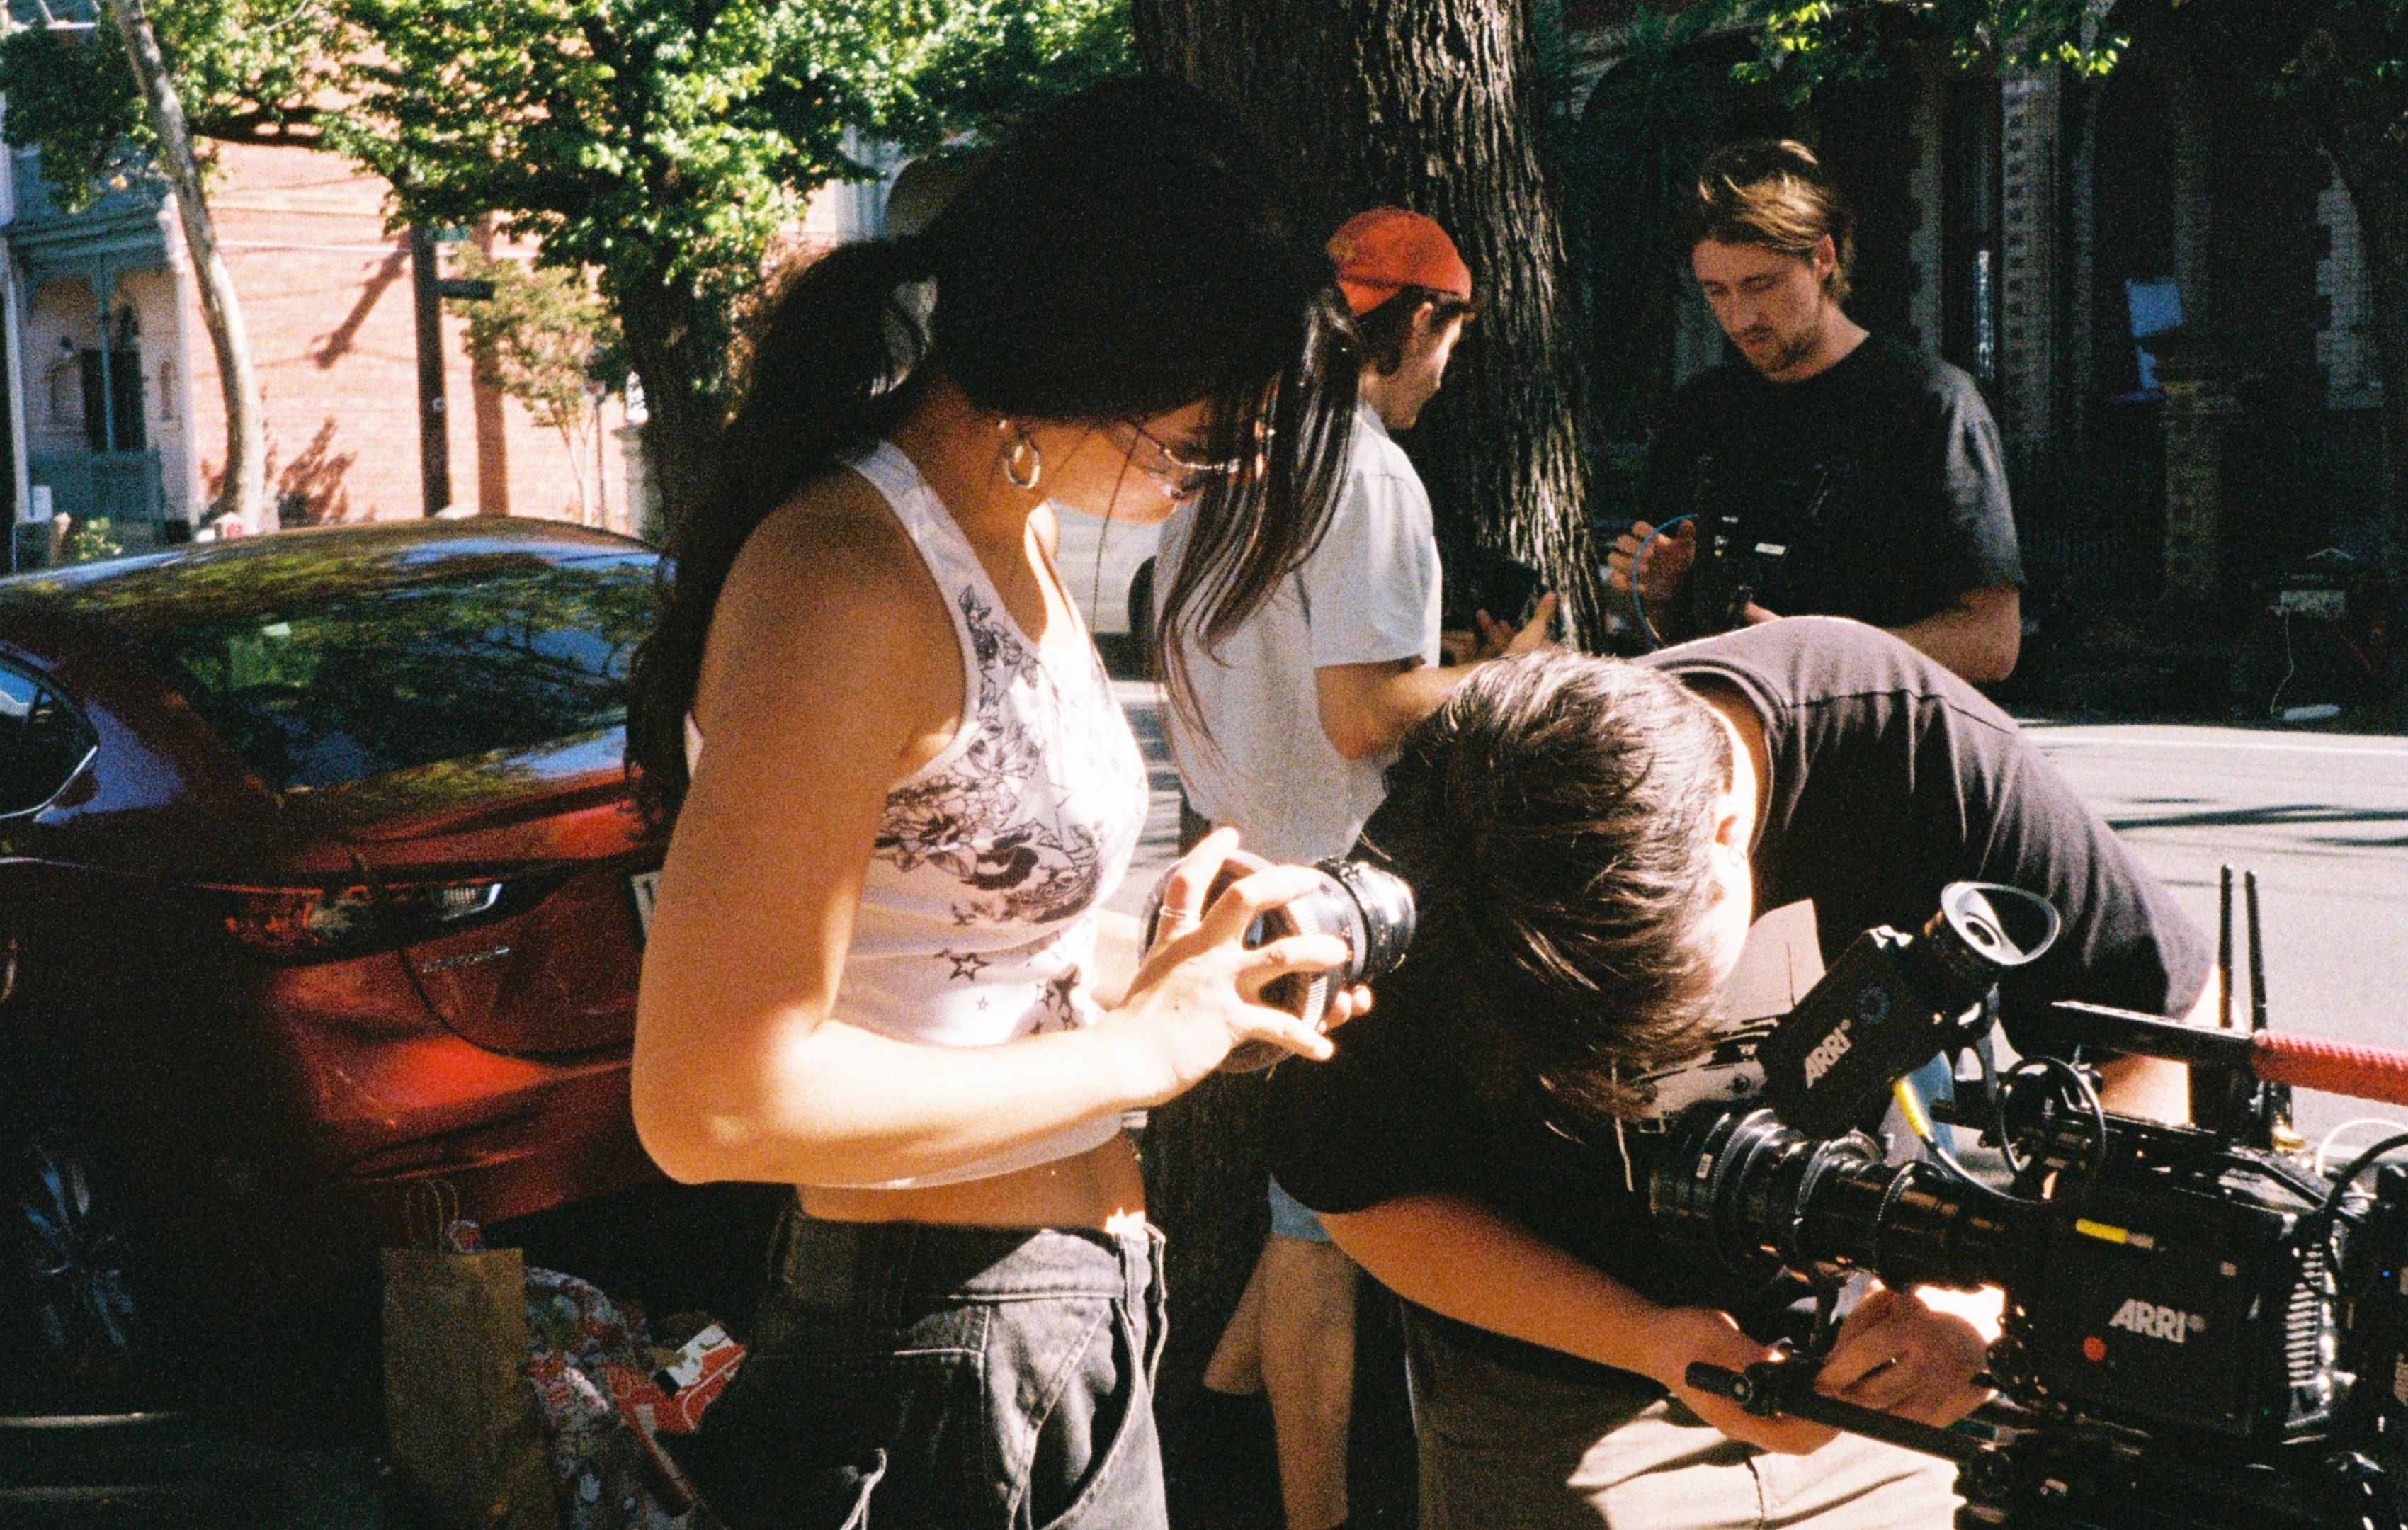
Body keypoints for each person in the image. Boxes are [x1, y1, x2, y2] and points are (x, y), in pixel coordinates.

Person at [625, 80, 1379, 1530]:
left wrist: (1166, 991)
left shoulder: (998, 542)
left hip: (1047, 1322)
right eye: (1202, 439)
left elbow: (932, 975)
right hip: (928, 1351)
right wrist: (1143, 1055)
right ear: (1085, 354)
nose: (1204, 481)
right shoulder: (846, 582)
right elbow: (711, 1106)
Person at [1264, 618, 2220, 1529]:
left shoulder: (1900, 737)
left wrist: (1990, 1303)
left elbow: (2159, 1023)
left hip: (1892, 1362)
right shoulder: (1442, 849)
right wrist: (1641, 1338)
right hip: (1556, 1368)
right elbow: (1360, 1193)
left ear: (1729, 834)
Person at [1156, 206, 1552, 1530]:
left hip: (1239, 881)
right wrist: (1512, 678)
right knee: (1328, 1221)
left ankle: (1203, 1441)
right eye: (1453, 340)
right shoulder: (1366, 472)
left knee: (1304, 1201)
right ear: (1420, 322)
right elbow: (1365, 713)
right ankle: (1308, 1514)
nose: (1450, 372)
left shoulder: (1223, 467)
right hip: (1348, 899)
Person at [1607, 140, 2023, 684]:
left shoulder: (1929, 404)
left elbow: (1992, 641)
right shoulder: (1699, 411)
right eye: (1717, 291)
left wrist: (1813, 657)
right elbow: (1654, 639)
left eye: (1761, 284)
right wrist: (1656, 597)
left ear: (1822, 258)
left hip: (1878, 751)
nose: (1741, 316)